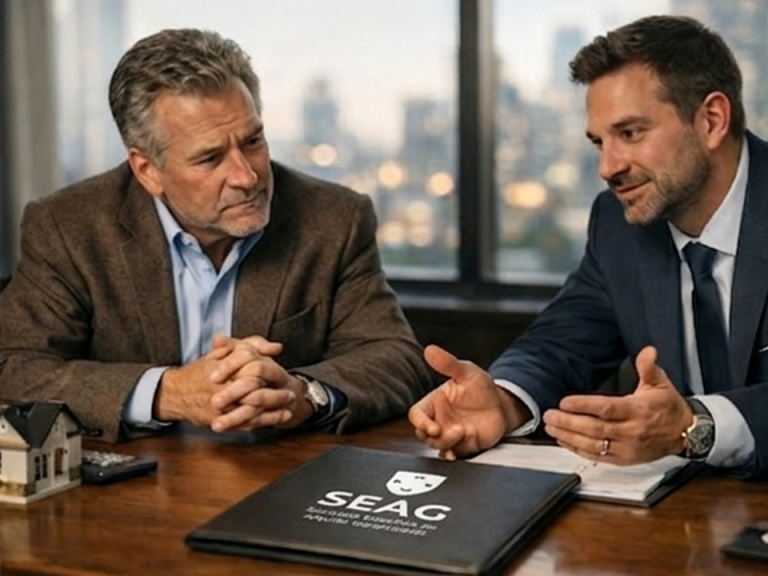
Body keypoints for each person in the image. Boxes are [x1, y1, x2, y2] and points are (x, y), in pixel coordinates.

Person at [0, 28, 432, 443]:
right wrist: (167, 393)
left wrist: (304, 395)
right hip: (130, 497)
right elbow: (13, 366)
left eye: (253, 141)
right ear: (147, 170)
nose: (246, 176)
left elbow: (396, 358)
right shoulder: (69, 226)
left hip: (278, 484)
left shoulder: (334, 217)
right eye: (210, 158)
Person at [410, 15, 768, 477]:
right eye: (598, 142)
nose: (607, 167)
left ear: (711, 120)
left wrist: (697, 426)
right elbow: (563, 341)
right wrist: (502, 399)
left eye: (631, 133)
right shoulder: (618, 224)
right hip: (685, 516)